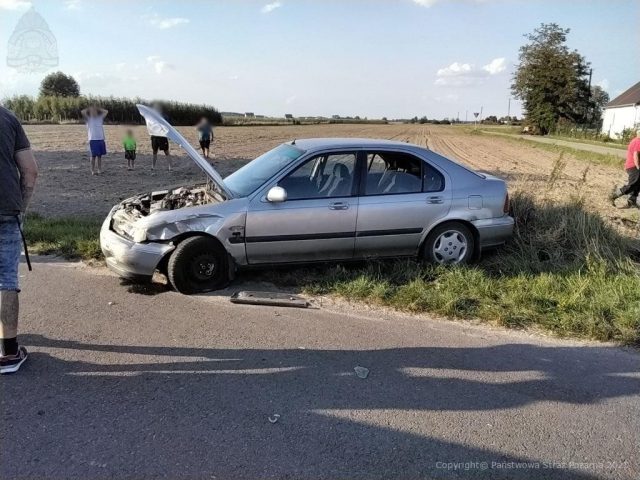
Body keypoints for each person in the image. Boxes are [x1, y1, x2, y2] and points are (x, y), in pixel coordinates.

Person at [0, 106, 38, 374]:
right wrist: (21, 208)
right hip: (5, 210)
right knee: (6, 280)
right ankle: (8, 352)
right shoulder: (8, 118)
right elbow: (30, 171)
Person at [609, 129, 640, 208]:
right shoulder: (638, 141)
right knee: (632, 185)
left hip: (632, 166)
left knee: (638, 184)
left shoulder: (635, 140)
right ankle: (613, 196)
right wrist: (638, 166)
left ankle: (632, 201)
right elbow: (635, 155)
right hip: (634, 166)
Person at [81, 105, 108, 175]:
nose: (94, 112)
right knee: (93, 156)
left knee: (99, 156)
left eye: (95, 111)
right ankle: (93, 170)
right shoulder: (89, 119)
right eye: (92, 111)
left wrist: (98, 108)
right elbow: (83, 111)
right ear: (90, 112)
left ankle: (99, 170)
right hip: (93, 140)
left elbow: (106, 111)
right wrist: (89, 109)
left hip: (101, 139)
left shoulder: (100, 118)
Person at [149, 103, 172, 171]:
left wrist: (168, 134)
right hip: (154, 137)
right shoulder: (152, 117)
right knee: (154, 151)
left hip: (162, 137)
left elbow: (168, 126)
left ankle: (170, 166)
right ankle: (153, 166)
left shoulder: (164, 116)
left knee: (166, 151)